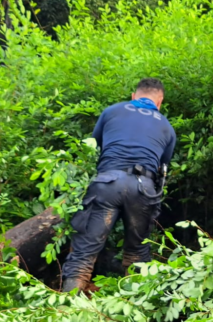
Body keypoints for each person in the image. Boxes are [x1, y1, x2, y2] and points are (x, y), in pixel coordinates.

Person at [61, 78, 176, 293]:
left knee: (84, 251)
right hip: (144, 189)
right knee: (138, 254)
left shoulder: (112, 111)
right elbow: (163, 168)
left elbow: (94, 145)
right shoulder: (167, 127)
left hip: (107, 183)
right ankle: (135, 306)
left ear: (134, 96)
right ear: (159, 102)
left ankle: (67, 307)